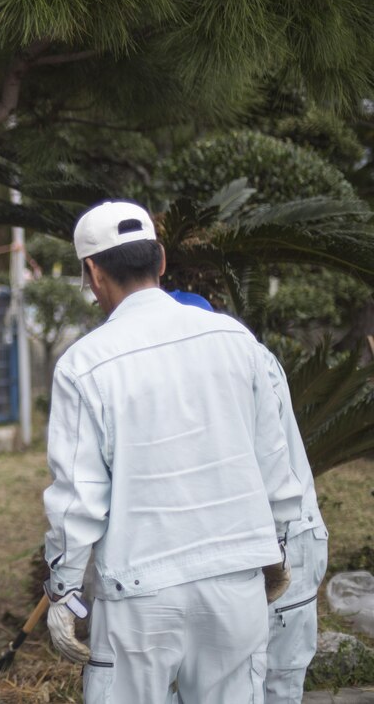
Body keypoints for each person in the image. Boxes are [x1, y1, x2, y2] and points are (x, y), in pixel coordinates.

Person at [41, 200, 303, 703]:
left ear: (93, 273)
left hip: (140, 594)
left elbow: (79, 496)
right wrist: (277, 543)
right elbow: (275, 460)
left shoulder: (84, 364)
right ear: (160, 260)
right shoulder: (235, 340)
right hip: (237, 579)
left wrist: (65, 590)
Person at [167, 290, 329, 703]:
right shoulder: (218, 360)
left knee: (274, 683)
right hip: (247, 545)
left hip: (283, 541)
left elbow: (263, 470)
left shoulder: (243, 361)